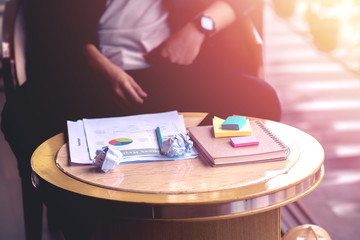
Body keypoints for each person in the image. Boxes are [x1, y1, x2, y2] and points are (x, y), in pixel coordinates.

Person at [1, 0, 281, 239]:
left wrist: (199, 27)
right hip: (91, 75)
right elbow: (49, 22)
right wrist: (102, 67)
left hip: (169, 70)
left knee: (259, 99)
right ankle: (86, 228)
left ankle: (228, 215)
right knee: (21, 114)